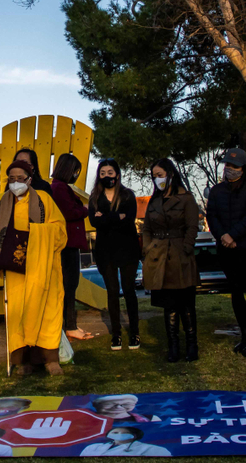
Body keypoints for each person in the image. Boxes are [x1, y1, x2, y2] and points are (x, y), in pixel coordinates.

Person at [0, 160, 67, 375]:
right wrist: (0, 261)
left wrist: (37, 236)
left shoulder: (43, 200)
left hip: (43, 267)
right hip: (15, 268)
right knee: (19, 313)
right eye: (11, 179)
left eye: (20, 179)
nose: (16, 183)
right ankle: (21, 359)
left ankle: (50, 359)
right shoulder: (0, 203)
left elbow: (60, 230)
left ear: (30, 180)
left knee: (47, 311)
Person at [142, 159, 200, 362]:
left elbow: (193, 226)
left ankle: (192, 345)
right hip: (159, 257)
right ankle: (173, 346)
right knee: (170, 305)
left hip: (180, 255)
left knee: (186, 303)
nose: (157, 179)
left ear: (170, 174)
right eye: (154, 176)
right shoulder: (154, 201)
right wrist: (148, 249)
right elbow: (146, 228)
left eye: (160, 175)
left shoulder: (186, 198)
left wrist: (186, 248)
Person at [88, 159, 141, 350]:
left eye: (110, 172)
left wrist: (106, 217)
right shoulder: (94, 197)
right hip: (105, 250)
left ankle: (134, 332)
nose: (106, 176)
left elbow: (129, 220)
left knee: (128, 289)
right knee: (112, 291)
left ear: (117, 174)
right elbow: (94, 222)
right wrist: (117, 216)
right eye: (102, 173)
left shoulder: (128, 195)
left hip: (128, 249)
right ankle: (116, 334)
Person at [207, 147, 246, 358]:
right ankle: (245, 336)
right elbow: (212, 216)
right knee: (237, 294)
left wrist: (234, 235)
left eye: (235, 166)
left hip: (243, 247)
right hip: (227, 251)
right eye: (228, 165)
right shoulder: (216, 191)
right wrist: (223, 236)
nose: (230, 169)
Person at [51, 153, 93, 340]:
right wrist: (85, 210)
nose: (76, 174)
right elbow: (69, 211)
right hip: (66, 242)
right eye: (75, 171)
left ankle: (69, 325)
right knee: (69, 284)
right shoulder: (59, 188)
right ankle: (69, 326)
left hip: (67, 241)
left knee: (69, 285)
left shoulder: (60, 187)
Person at [80, 426, 171, 457]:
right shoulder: (93, 447)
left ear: (134, 436)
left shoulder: (152, 449)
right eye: (115, 432)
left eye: (125, 433)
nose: (119, 434)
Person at [91, 394, 161, 423]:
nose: (118, 407)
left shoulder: (151, 418)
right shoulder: (88, 419)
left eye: (124, 404)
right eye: (110, 404)